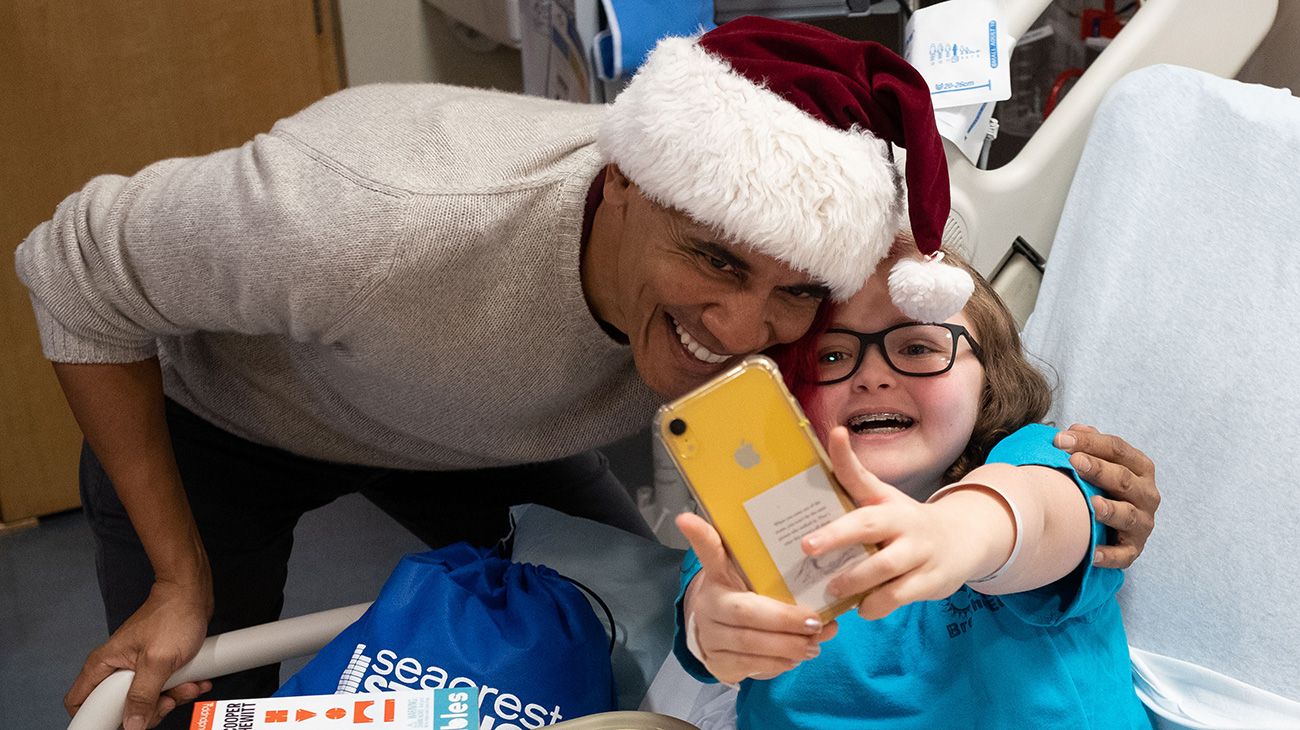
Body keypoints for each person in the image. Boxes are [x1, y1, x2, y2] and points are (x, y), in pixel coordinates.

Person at [14, 15, 1157, 730]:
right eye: (714, 257)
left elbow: (1030, 513)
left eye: (905, 345)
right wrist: (179, 583)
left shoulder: (1002, 466)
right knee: (186, 699)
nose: (746, 327)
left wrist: (971, 530)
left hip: (491, 422)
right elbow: (70, 263)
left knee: (558, 606)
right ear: (618, 192)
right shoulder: (360, 219)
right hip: (230, 422)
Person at [675, 242, 1152, 727]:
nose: (872, 377)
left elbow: (1043, 514)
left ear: (989, 377)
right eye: (832, 355)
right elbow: (709, 604)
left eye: (919, 347)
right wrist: (716, 630)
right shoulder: (752, 512)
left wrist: (954, 532)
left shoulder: (1036, 457)